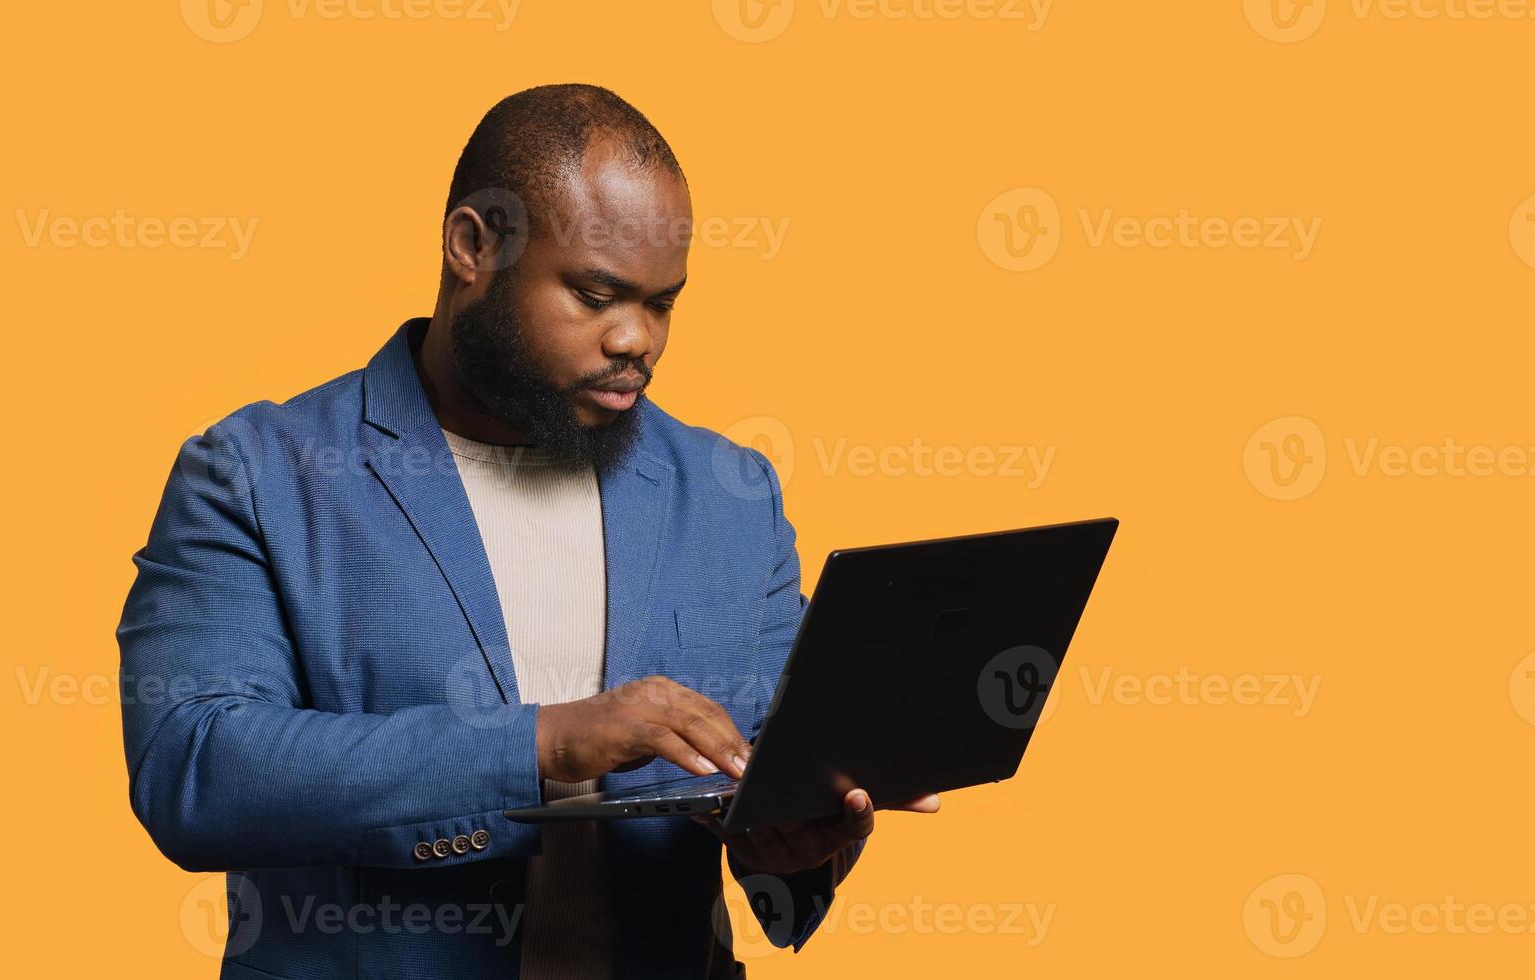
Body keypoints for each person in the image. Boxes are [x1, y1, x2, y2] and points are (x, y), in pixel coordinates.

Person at [117, 83, 936, 980]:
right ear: (474, 245)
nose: (637, 340)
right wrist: (543, 745)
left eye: (662, 304)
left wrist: (799, 844)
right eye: (594, 294)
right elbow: (194, 770)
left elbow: (768, 791)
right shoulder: (256, 473)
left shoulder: (729, 492)